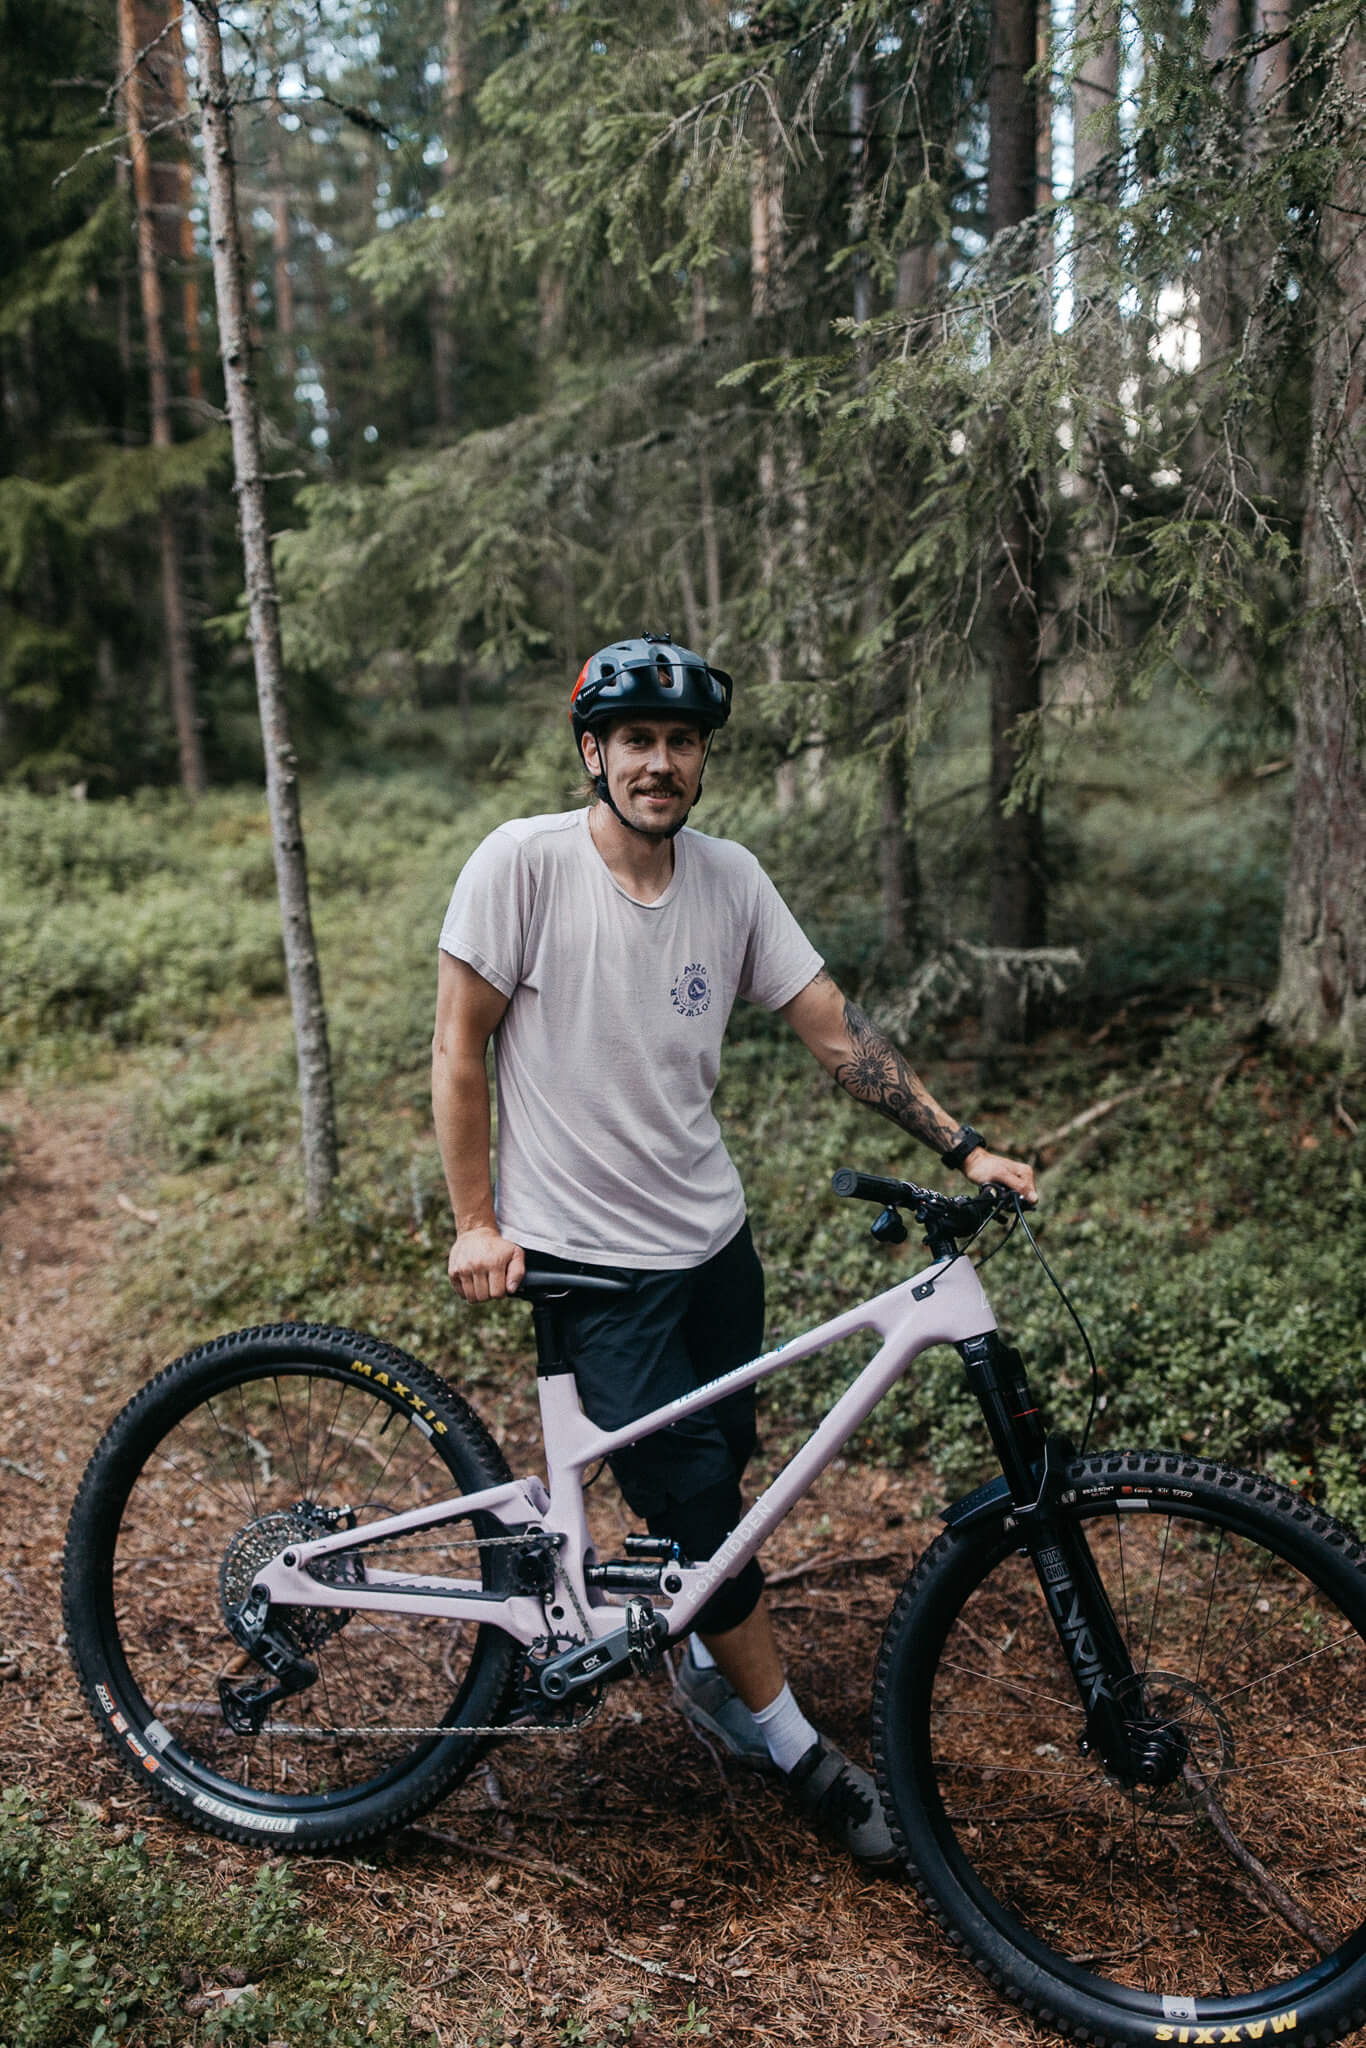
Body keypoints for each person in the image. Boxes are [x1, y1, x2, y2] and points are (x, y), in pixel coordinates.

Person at [432, 632, 1037, 1870]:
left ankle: (704, 1647)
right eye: (635, 740)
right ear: (593, 751)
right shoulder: (522, 864)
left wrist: (962, 1142)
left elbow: (836, 1033)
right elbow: (457, 1045)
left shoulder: (729, 878)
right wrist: (477, 1220)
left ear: (702, 758)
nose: (658, 762)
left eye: (680, 741)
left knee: (726, 1482)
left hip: (713, 1248)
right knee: (702, 1506)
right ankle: (794, 1745)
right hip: (592, 1265)